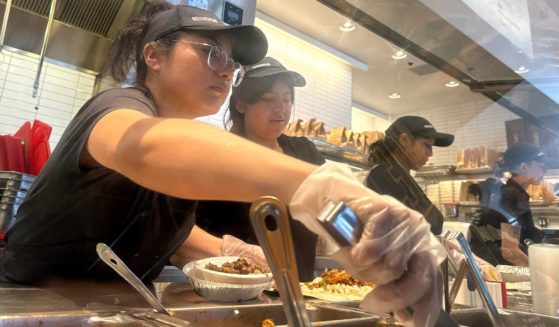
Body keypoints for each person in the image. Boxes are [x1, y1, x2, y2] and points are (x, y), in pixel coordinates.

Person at [0, 4, 444, 326]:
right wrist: (329, 190)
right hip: (28, 304)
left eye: (230, 62)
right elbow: (146, 149)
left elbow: (170, 229)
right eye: (212, 53)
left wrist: (234, 252)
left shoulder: (184, 142)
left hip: (109, 308)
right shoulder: (120, 107)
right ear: (153, 56)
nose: (226, 71)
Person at [195, 57, 324, 281]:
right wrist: (233, 250)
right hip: (232, 288)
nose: (281, 109)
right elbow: (184, 229)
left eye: (287, 99)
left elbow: (331, 207)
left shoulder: (304, 152)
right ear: (241, 104)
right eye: (268, 99)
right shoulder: (217, 156)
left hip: (301, 289)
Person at [366, 116, 454, 235]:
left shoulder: (401, 175)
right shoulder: (384, 177)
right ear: (404, 140)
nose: (430, 153)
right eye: (426, 145)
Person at [471, 143, 548, 266]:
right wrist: (540, 271)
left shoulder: (512, 193)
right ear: (523, 167)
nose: (544, 170)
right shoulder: (513, 197)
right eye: (540, 166)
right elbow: (509, 252)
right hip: (495, 271)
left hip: (491, 266)